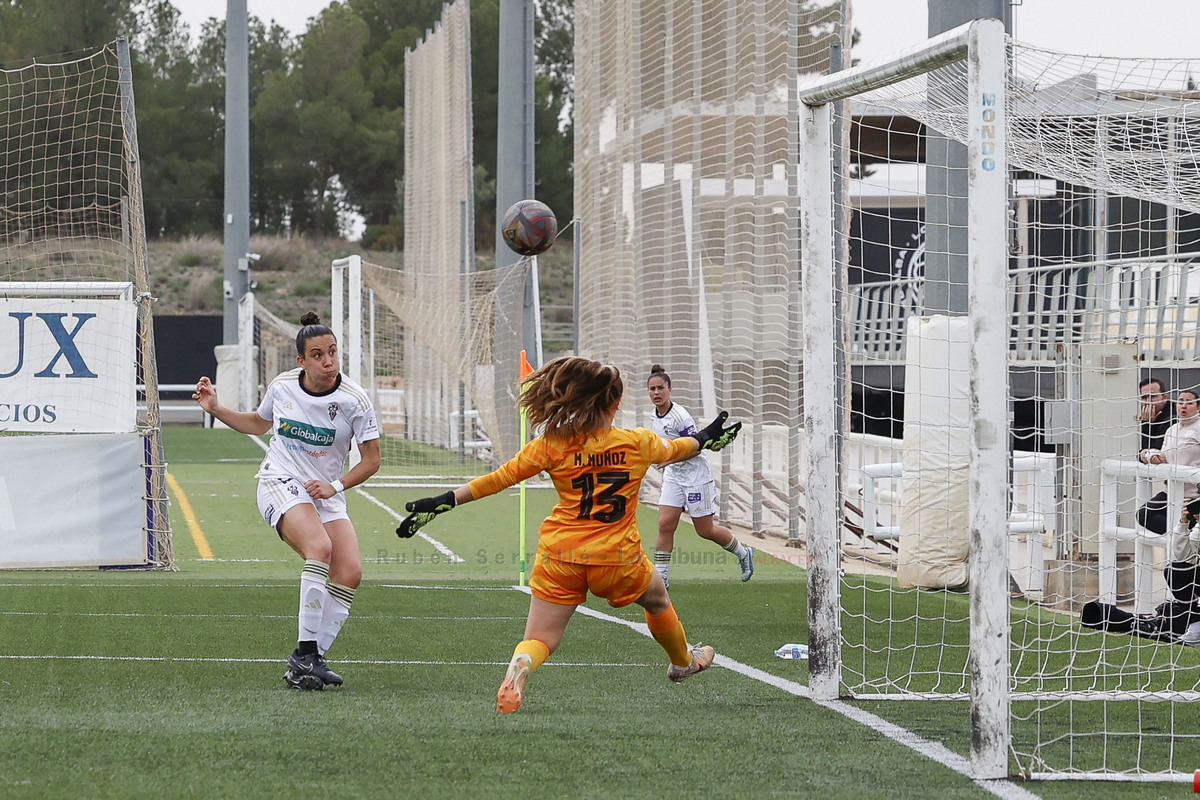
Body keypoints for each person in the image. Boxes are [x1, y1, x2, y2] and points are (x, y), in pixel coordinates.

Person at [395, 356, 741, 713]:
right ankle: (683, 661)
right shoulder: (639, 442)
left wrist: (444, 500)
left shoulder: (554, 443)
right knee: (657, 601)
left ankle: (521, 666)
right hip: (618, 558)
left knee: (539, 639)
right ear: (615, 403)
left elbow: (499, 479)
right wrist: (703, 439)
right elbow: (678, 449)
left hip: (561, 556)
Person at [192, 312, 381, 690]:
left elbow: (373, 460)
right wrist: (216, 408)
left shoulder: (355, 401)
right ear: (301, 361)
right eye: (317, 355)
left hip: (325, 492)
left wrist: (336, 487)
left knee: (350, 573)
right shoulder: (283, 387)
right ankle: (306, 654)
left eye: (332, 352)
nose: (328, 361)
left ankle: (307, 663)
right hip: (280, 480)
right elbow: (258, 424)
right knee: (319, 547)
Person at [645, 364, 753, 587]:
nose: (656, 393)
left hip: (695, 477)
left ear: (670, 389)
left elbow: (696, 448)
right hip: (674, 476)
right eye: (652, 389)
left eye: (660, 388)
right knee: (665, 523)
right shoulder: (654, 415)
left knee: (705, 530)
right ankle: (661, 577)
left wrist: (668, 460)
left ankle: (743, 553)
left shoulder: (680, 416)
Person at [1136, 389, 1200, 535]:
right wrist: (1150, 455)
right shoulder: (1172, 429)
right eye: (1180, 402)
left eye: (1189, 402)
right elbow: (1163, 453)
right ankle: (1181, 536)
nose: (1183, 406)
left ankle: (1185, 539)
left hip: (1194, 494)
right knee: (1144, 515)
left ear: (1198, 407)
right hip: (1171, 491)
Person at [1138, 375, 1174, 453]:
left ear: (1164, 397)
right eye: (1144, 397)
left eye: (1153, 396)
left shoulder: (1173, 417)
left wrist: (1147, 424)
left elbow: (1154, 450)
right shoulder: (1143, 416)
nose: (1148, 401)